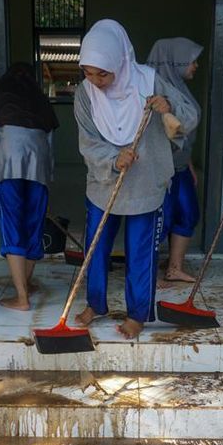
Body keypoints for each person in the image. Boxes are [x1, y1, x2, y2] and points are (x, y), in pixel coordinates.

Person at [72, 19, 199, 339]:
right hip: (104, 183)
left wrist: (167, 106)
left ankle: (138, 313)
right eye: (88, 72)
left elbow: (189, 116)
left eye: (103, 72)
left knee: (140, 251)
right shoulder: (85, 94)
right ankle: (96, 304)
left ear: (120, 62)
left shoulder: (148, 80)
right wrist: (113, 158)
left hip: (145, 183)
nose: (95, 80)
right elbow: (87, 140)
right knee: (95, 248)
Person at [0, 62, 60, 311]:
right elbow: (50, 139)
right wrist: (49, 171)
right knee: (33, 223)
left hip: (9, 164)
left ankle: (22, 297)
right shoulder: (39, 96)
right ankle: (25, 284)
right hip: (39, 166)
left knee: (12, 223)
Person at [146, 37, 204, 286]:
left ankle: (174, 268)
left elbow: (182, 132)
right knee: (159, 221)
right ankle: (146, 273)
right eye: (192, 61)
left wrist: (188, 161)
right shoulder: (154, 90)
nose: (196, 65)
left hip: (180, 166)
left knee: (188, 213)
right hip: (159, 170)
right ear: (176, 61)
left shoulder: (178, 87)